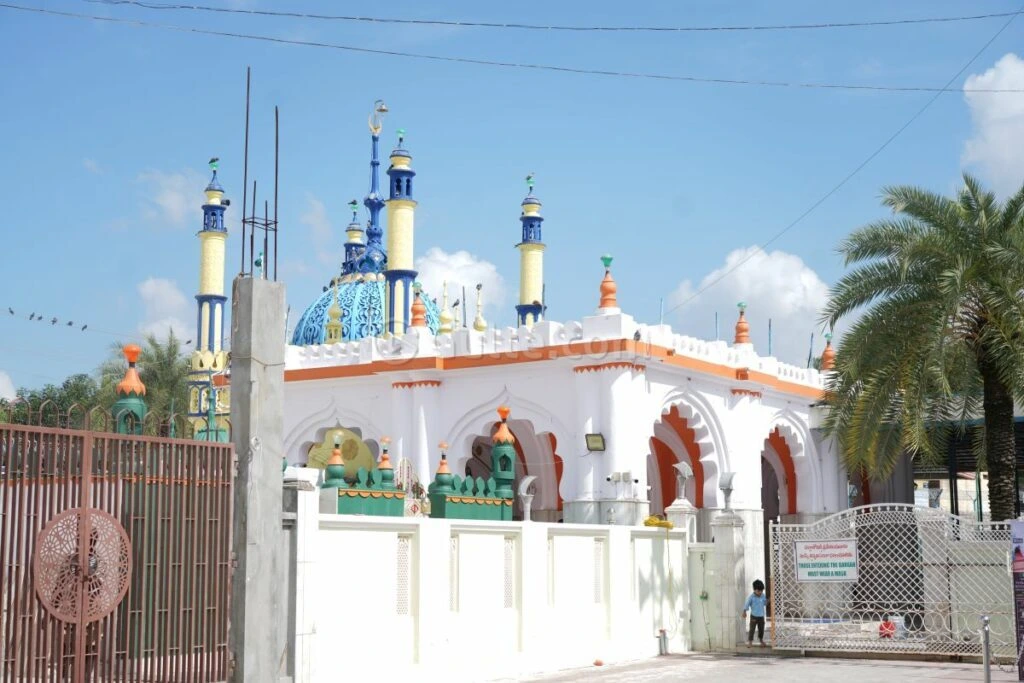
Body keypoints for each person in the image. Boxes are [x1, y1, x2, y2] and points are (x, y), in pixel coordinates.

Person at [742, 579, 768, 647]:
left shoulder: (763, 595)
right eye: (758, 591)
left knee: (761, 629)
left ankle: (761, 640)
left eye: (761, 591)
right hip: (754, 616)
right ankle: (750, 641)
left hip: (761, 616)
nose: (760, 592)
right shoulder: (751, 597)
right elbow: (747, 604)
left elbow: (765, 603)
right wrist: (744, 611)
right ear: (754, 589)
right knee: (752, 629)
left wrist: (769, 600)